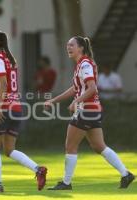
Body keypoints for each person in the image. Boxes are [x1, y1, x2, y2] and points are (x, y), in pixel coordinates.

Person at [45, 36, 135, 190]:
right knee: (99, 146)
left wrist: (76, 101)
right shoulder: (81, 64)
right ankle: (126, 174)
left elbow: (92, 88)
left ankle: (66, 183)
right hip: (92, 110)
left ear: (81, 48)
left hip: (86, 110)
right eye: (67, 45)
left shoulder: (85, 63)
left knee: (70, 146)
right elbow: (75, 89)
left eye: (72, 45)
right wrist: (54, 100)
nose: (69, 47)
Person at [0, 30, 47, 193]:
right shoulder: (10, 59)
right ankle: (38, 169)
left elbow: (2, 84)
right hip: (16, 108)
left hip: (3, 108)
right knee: (9, 150)